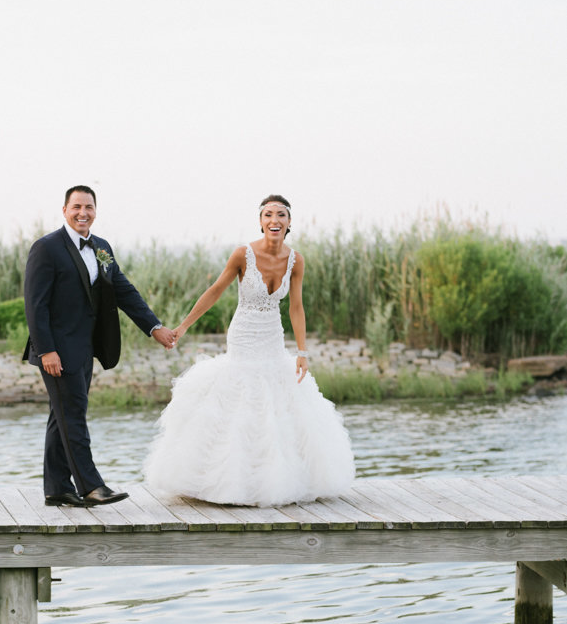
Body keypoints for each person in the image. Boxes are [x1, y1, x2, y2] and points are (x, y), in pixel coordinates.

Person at [144, 194, 355, 507]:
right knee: (243, 397)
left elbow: (296, 306)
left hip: (272, 335)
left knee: (277, 400)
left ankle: (276, 479)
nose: (274, 220)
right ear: (260, 222)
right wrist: (184, 326)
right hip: (243, 334)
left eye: (281, 215)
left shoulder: (296, 260)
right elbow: (216, 290)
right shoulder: (243, 254)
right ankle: (225, 479)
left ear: (289, 223)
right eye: (268, 214)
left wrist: (302, 351)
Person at [24, 185, 176, 507]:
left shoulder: (102, 247)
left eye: (89, 207)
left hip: (85, 348)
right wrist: (45, 350)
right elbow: (35, 305)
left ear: (96, 210)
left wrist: (155, 327)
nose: (83, 213)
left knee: (62, 415)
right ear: (64, 210)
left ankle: (56, 488)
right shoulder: (47, 247)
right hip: (56, 351)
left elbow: (124, 291)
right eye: (76, 206)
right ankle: (91, 486)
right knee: (74, 414)